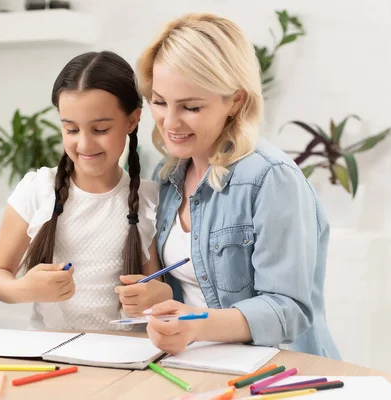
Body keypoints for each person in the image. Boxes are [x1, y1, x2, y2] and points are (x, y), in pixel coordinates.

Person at [135, 13, 341, 359]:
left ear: (235, 101)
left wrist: (198, 324)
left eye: (191, 107)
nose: (170, 122)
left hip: (276, 371)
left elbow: (288, 309)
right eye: (159, 102)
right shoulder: (168, 174)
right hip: (197, 364)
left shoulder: (270, 178)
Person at [0, 51, 172, 332]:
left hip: (126, 356)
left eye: (100, 129)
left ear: (132, 121)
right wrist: (25, 288)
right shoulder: (37, 190)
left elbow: (155, 286)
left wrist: (159, 295)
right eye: (71, 129)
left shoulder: (150, 199)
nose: (84, 144)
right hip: (50, 354)